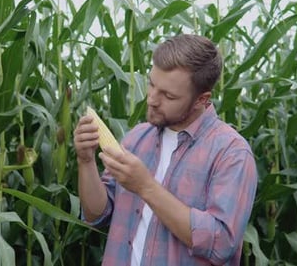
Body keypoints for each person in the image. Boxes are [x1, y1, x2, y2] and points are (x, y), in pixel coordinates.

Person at [73, 34, 258, 266]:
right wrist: (86, 160)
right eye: (151, 84)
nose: (151, 99)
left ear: (202, 99)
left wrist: (146, 187)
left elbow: (221, 244)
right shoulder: (137, 139)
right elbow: (96, 215)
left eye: (168, 95)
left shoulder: (231, 153)